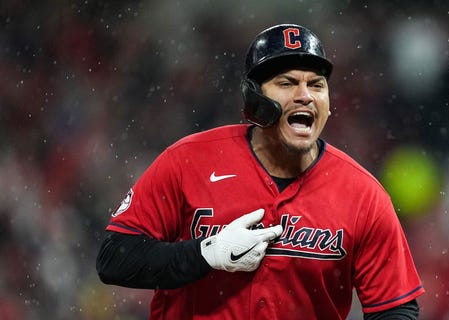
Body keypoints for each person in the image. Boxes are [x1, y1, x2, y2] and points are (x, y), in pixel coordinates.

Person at [96, 23, 425, 319]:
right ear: (254, 98)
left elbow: (396, 307)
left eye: (317, 84)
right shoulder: (188, 161)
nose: (305, 96)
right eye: (287, 83)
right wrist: (206, 254)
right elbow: (115, 260)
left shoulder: (363, 194)